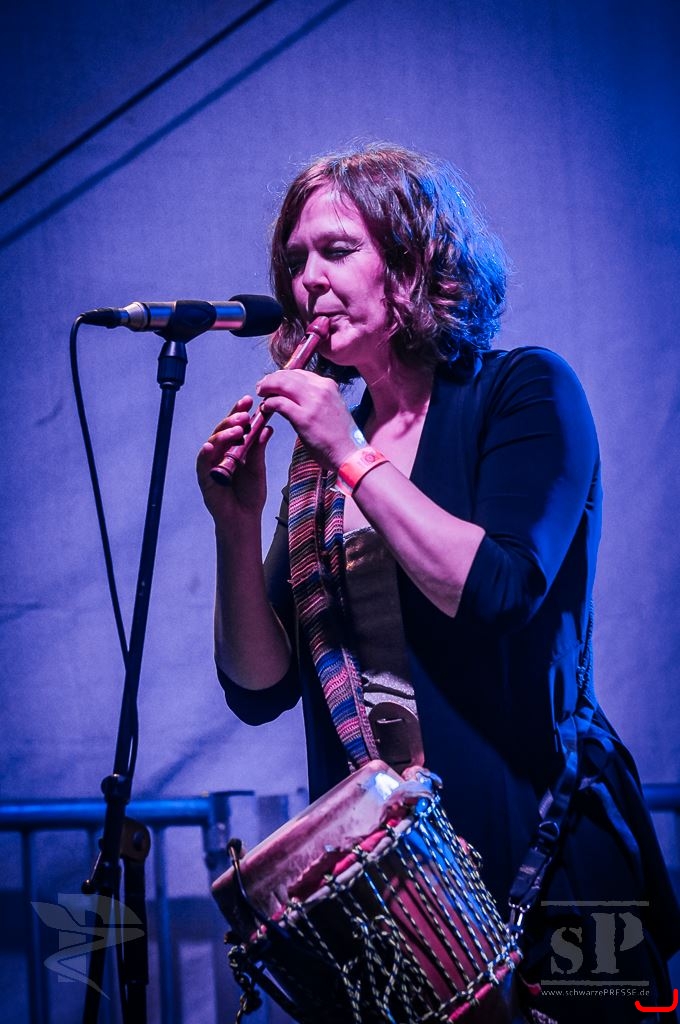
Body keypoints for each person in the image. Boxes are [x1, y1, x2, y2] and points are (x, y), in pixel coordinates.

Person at [197, 144, 679, 1022]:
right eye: (296, 260)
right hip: (404, 894)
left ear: (415, 261)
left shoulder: (524, 390)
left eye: (337, 249)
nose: (308, 280)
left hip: (554, 862)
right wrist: (236, 522)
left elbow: (497, 588)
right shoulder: (315, 472)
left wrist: (351, 451)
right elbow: (258, 688)